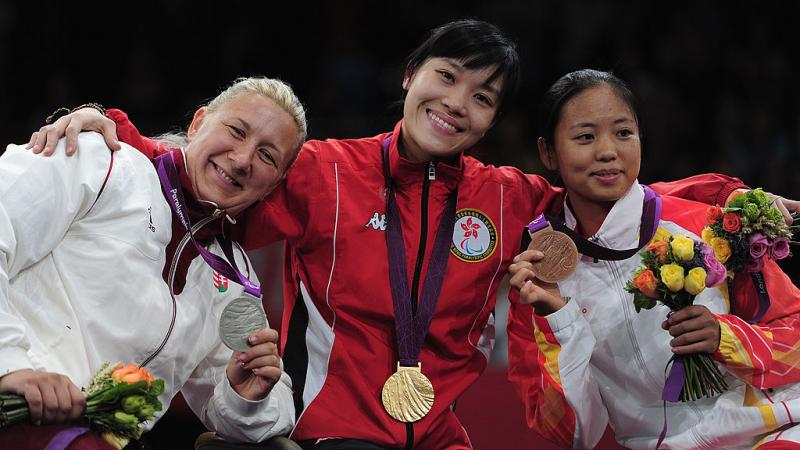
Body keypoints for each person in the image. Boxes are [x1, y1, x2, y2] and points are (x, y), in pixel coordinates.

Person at [29, 21, 777, 450]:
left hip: (445, 438)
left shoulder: (509, 198)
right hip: (335, 436)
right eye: (447, 78)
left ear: (493, 121)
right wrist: (114, 129)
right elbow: (215, 169)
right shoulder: (325, 174)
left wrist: (735, 203)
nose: (456, 104)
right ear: (413, 75)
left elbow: (614, 192)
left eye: (481, 98)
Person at [0, 77, 307, 449]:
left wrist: (246, 397)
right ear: (198, 124)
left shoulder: (236, 280)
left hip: (105, 438)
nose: (242, 160)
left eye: (267, 156)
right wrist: (11, 364)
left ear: (275, 182)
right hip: (17, 411)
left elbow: (245, 419)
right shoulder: (101, 161)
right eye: (236, 131)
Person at [506, 69, 800, 449]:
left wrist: (727, 337)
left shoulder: (703, 224)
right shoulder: (538, 284)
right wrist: (559, 320)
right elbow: (576, 433)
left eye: (623, 133)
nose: (608, 150)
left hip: (776, 428)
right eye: (585, 137)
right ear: (548, 152)